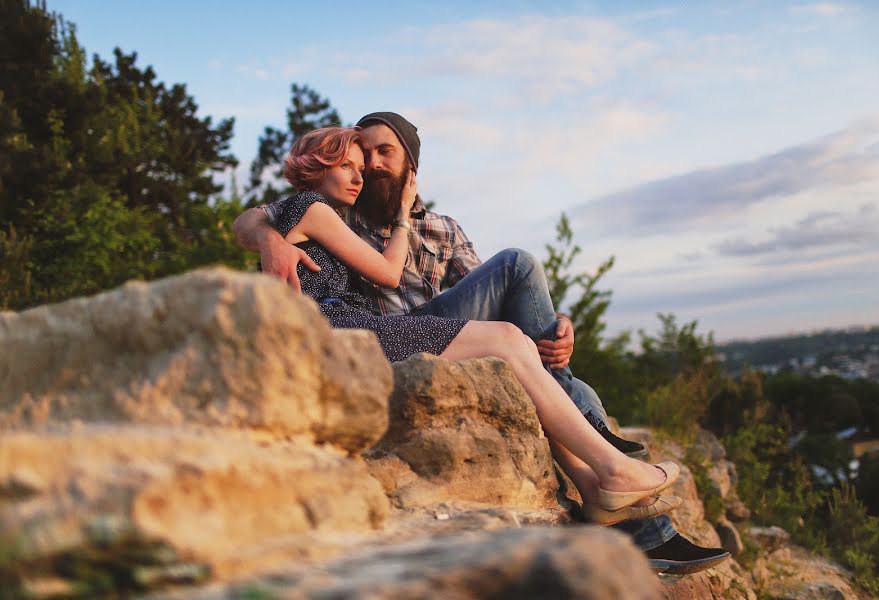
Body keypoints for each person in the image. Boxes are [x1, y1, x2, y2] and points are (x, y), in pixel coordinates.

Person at [233, 114, 730, 574]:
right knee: (538, 356)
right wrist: (267, 237)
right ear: (322, 165)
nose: (367, 170)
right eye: (355, 160)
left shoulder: (438, 227)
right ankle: (615, 473)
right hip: (365, 332)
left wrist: (559, 322)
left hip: (403, 330)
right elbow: (259, 218)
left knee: (521, 304)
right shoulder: (338, 213)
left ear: (411, 165)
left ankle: (610, 481)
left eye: (382, 155)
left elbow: (498, 292)